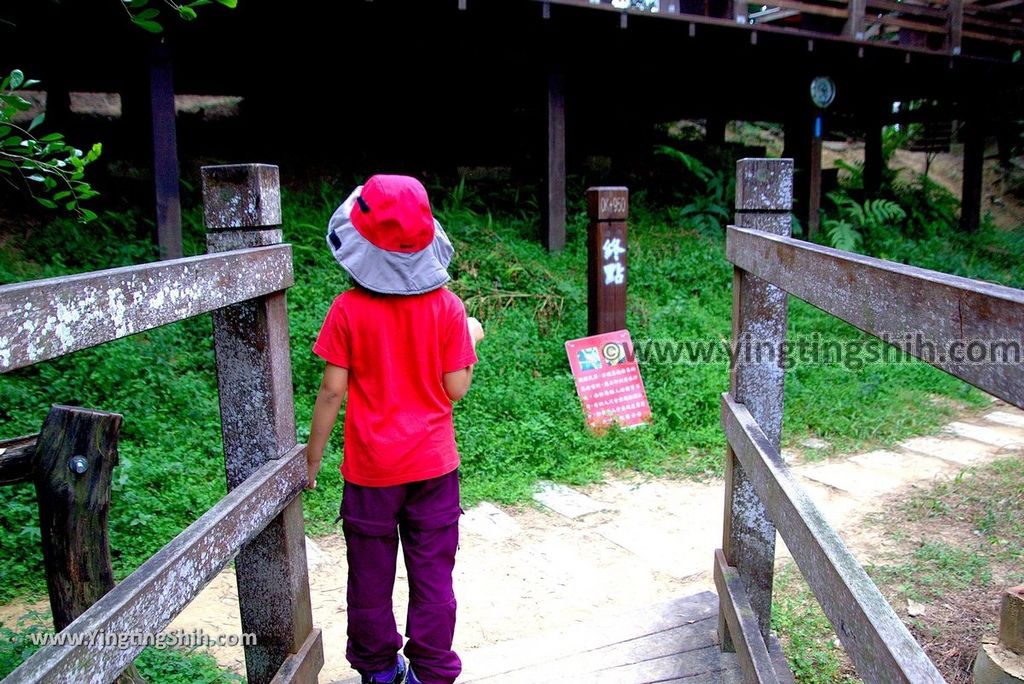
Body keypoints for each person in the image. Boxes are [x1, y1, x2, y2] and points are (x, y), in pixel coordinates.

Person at [306, 174, 483, 684]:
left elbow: (332, 392)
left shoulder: (347, 310)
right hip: (433, 469)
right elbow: (455, 389)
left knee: (369, 577)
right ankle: (430, 671)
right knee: (432, 576)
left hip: (369, 472)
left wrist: (313, 459)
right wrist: (469, 338)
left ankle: (379, 669)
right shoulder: (449, 308)